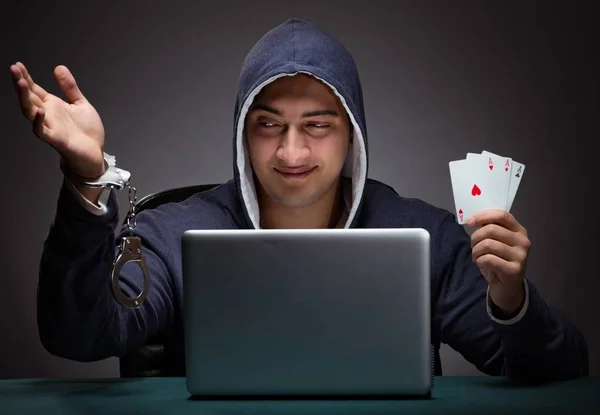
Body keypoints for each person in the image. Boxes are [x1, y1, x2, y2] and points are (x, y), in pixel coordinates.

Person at [11, 18, 587, 380]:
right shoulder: (173, 232)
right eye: (267, 125)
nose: (291, 151)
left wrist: (511, 301)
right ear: (241, 131)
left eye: (317, 125)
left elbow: (561, 369)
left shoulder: (423, 234)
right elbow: (76, 336)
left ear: (353, 133)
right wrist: (87, 179)